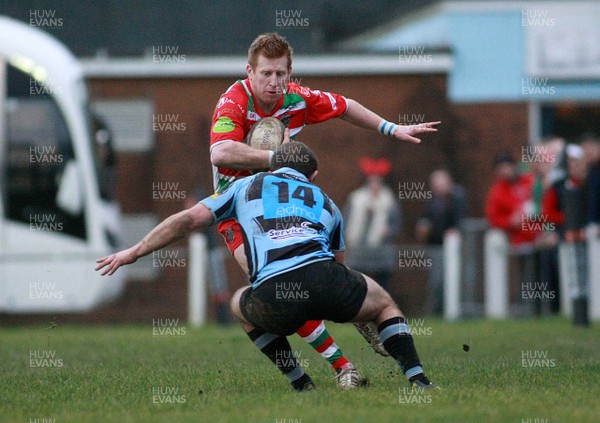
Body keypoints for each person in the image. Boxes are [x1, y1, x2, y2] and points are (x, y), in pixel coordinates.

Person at [96, 142, 437, 391]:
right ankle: (418, 379)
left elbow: (187, 220)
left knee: (238, 305)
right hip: (326, 280)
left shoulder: (243, 186)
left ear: (273, 167)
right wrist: (358, 313)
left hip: (274, 293)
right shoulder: (328, 202)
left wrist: (135, 251)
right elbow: (340, 266)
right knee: (384, 303)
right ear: (313, 175)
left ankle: (301, 383)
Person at [208, 32, 440, 375]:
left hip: (279, 203)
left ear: (290, 73)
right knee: (272, 286)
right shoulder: (233, 102)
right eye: (266, 74)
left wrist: (390, 128)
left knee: (300, 279)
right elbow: (220, 152)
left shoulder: (297, 98)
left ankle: (357, 316)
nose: (274, 83)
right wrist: (278, 156)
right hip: (234, 207)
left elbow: (345, 106)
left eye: (280, 74)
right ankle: (344, 368)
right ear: (249, 72)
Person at [343, 157, 401, 292]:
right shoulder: (356, 199)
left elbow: (397, 225)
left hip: (381, 250)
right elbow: (346, 221)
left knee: (382, 284)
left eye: (377, 182)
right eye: (372, 182)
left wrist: (389, 230)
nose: (374, 185)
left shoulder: (389, 201)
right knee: (359, 282)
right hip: (359, 250)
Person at [415, 169, 466, 315]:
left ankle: (451, 311)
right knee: (436, 281)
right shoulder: (432, 200)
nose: (437, 187)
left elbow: (459, 219)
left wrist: (454, 230)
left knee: (451, 280)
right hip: (435, 246)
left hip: (453, 247)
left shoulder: (457, 197)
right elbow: (426, 218)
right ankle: (435, 312)